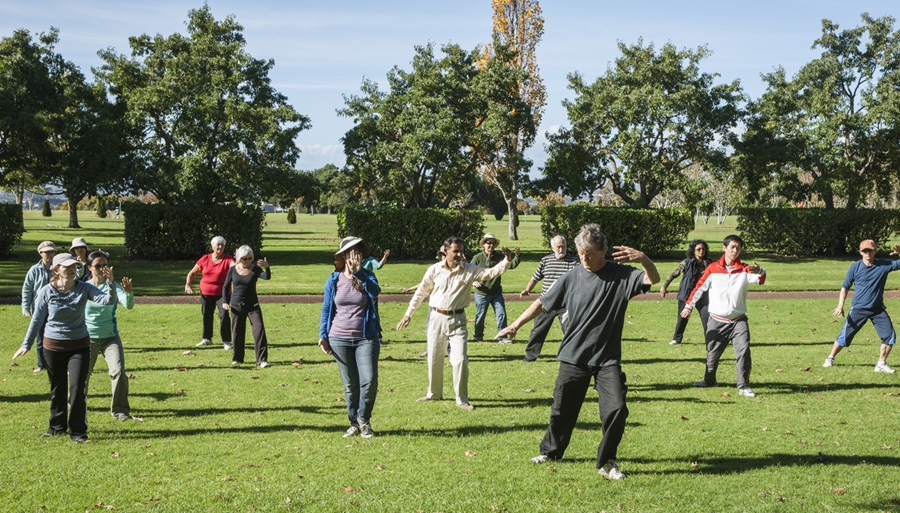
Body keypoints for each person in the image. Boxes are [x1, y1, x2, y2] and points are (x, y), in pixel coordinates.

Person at [497, 223, 659, 480]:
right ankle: (551, 452)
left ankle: (607, 462)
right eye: (581, 252)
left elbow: (652, 279)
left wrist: (644, 259)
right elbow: (542, 302)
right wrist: (516, 324)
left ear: (603, 250)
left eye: (590, 253)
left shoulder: (621, 275)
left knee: (616, 409)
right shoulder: (572, 276)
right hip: (573, 356)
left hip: (607, 359)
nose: (584, 258)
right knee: (562, 410)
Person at [396, 236, 512, 411]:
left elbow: (490, 273)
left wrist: (506, 260)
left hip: (458, 320)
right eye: (455, 251)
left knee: (460, 360)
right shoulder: (434, 270)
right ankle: (434, 393)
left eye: (461, 251)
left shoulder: (469, 270)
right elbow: (421, 292)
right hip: (436, 318)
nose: (459, 254)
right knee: (434, 357)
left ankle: (461, 399)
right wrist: (408, 314)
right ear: (446, 251)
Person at [13, 253, 116, 443]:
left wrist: (110, 283)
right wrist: (26, 344)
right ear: (56, 270)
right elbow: (37, 320)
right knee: (57, 389)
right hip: (52, 347)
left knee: (77, 389)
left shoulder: (85, 288)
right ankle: (56, 427)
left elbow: (107, 301)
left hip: (79, 346)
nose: (71, 269)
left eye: (74, 266)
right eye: (66, 266)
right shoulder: (46, 291)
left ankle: (78, 432)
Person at [681, 234, 766, 397]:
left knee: (744, 351)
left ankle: (743, 386)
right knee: (712, 355)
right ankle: (709, 380)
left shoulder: (745, 269)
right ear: (724, 247)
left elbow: (760, 280)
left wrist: (760, 270)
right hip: (717, 320)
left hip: (738, 320)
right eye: (732, 247)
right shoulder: (712, 268)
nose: (735, 250)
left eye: (738, 247)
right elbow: (699, 287)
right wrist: (688, 306)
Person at [318, 237, 382, 437]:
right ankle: (354, 422)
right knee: (350, 385)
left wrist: (359, 273)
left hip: (367, 337)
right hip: (339, 338)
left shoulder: (368, 276)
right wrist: (323, 335)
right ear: (343, 256)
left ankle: (364, 419)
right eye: (351, 251)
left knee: (369, 381)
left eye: (359, 251)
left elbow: (375, 292)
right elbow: (327, 307)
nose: (356, 255)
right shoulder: (334, 279)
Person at [823, 239, 900, 373]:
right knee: (844, 337)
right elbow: (845, 287)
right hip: (859, 309)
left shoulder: (883, 265)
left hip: (877, 309)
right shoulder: (855, 267)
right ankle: (830, 358)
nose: (867, 253)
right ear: (860, 252)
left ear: (875, 251)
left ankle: (881, 364)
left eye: (870, 250)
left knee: (890, 336)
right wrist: (840, 306)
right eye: (864, 251)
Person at [84, 250, 135, 421]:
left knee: (119, 372)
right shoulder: (84, 287)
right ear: (89, 268)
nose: (102, 268)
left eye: (105, 265)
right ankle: (75, 404)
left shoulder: (113, 286)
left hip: (110, 337)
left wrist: (128, 292)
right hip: (87, 337)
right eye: (98, 265)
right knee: (82, 374)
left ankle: (120, 411)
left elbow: (128, 306)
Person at [520, 235, 579, 361]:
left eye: (563, 246)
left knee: (570, 330)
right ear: (552, 248)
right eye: (558, 247)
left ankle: (574, 356)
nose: (561, 249)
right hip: (546, 303)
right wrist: (527, 290)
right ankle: (530, 356)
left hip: (565, 304)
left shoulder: (575, 262)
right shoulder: (546, 261)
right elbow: (535, 277)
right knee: (538, 330)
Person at [222, 245, 271, 367]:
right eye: (245, 258)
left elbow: (267, 277)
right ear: (239, 258)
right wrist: (225, 301)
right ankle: (237, 358)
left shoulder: (255, 269)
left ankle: (262, 360)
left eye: (250, 258)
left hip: (252, 306)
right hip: (236, 305)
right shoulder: (233, 269)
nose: (248, 261)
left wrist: (266, 267)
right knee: (237, 332)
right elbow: (225, 286)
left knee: (259, 330)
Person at [185, 236, 234, 350]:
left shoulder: (227, 259)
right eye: (218, 244)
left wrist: (240, 261)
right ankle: (207, 339)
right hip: (206, 293)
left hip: (223, 294)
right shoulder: (205, 258)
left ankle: (227, 341)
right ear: (212, 246)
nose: (220, 247)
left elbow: (235, 266)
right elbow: (192, 273)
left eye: (222, 245)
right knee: (206, 315)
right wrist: (188, 284)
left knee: (224, 315)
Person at [470, 233, 520, 343]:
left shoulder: (499, 257)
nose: (491, 246)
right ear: (483, 244)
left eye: (493, 243)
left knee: (501, 314)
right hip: (481, 293)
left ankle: (502, 338)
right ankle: (478, 336)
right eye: (488, 243)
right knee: (480, 316)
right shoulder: (477, 258)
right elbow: (469, 273)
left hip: (496, 292)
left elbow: (511, 265)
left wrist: (516, 256)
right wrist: (474, 282)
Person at [661, 240, 712, 345]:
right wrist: (664, 286)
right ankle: (676, 339)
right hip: (686, 294)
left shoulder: (709, 263)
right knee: (682, 318)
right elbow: (674, 273)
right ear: (693, 251)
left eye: (703, 249)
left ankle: (710, 340)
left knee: (706, 317)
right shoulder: (687, 262)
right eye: (698, 249)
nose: (701, 251)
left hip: (703, 295)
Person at [22, 241, 57, 372]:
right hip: (39, 309)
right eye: (46, 252)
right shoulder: (34, 270)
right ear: (40, 253)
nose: (49, 254)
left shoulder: (58, 268)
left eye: (52, 252)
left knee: (55, 336)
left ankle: (56, 363)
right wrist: (25, 308)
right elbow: (27, 289)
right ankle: (41, 364)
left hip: (55, 308)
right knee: (40, 338)